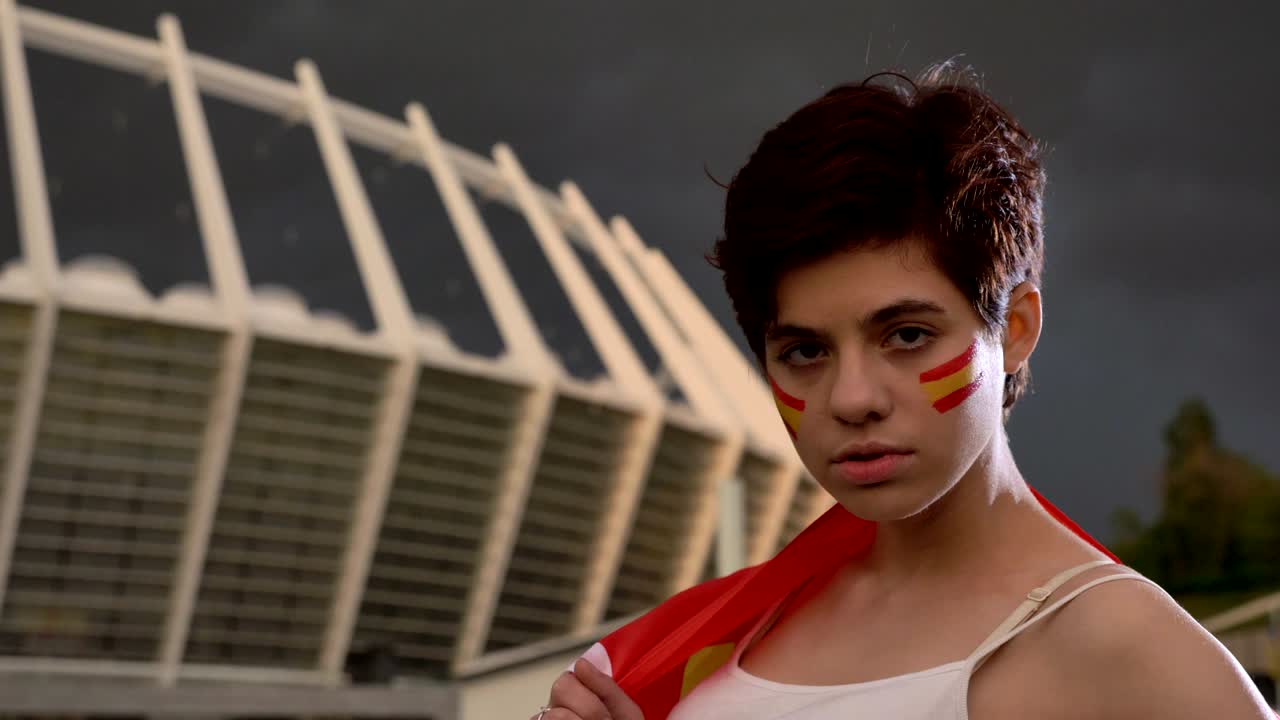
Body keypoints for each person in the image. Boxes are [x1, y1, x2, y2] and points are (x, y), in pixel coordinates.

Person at [532, 66, 1274, 719]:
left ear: (1014, 327)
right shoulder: (736, 634)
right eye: (804, 351)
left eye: (907, 335)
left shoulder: (1122, 650)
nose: (852, 398)